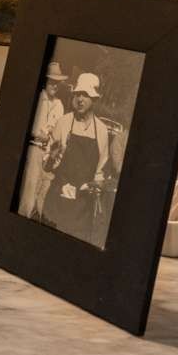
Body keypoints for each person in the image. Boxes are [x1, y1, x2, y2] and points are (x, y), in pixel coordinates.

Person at [38, 73, 116, 242]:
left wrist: (96, 184)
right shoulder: (64, 123)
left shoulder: (102, 130)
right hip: (58, 201)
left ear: (94, 99)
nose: (80, 99)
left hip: (83, 206)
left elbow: (101, 171)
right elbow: (47, 164)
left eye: (85, 95)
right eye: (78, 94)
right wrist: (51, 158)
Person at [14, 61, 72, 219]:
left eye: (58, 82)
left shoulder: (59, 105)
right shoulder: (38, 99)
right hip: (34, 149)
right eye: (52, 81)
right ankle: (21, 218)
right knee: (29, 191)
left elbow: (58, 131)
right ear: (45, 81)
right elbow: (31, 129)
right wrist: (44, 136)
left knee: (42, 193)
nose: (55, 86)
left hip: (49, 155)